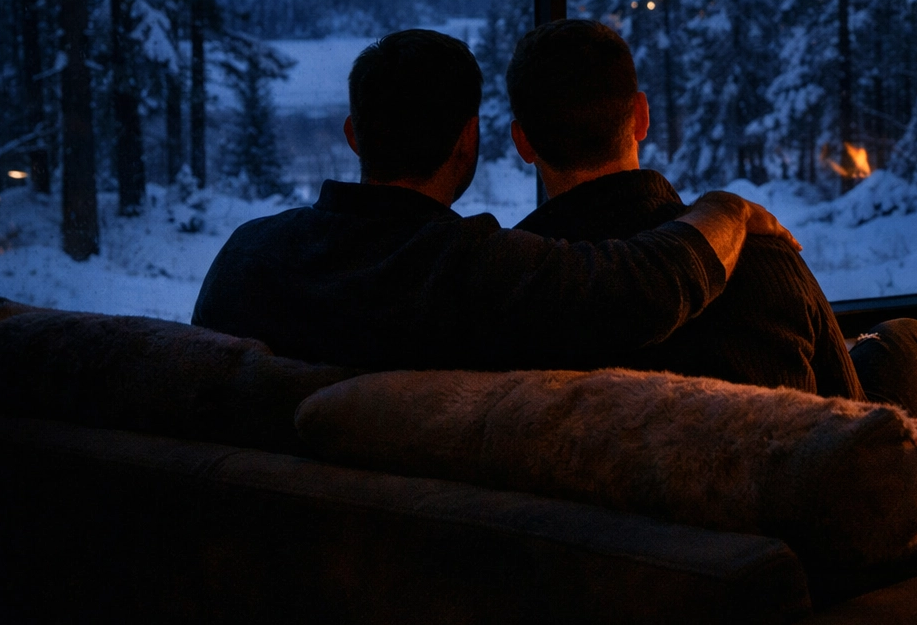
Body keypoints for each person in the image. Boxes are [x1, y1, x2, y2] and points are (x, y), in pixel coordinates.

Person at [192, 29, 795, 372]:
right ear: (469, 140)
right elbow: (646, 290)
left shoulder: (246, 257)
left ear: (354, 135)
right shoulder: (476, 274)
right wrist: (728, 210)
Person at [506, 19, 917, 418]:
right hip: (795, 480)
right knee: (905, 339)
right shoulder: (756, 251)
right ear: (641, 117)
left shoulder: (518, 290)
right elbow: (850, 418)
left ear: (523, 142)